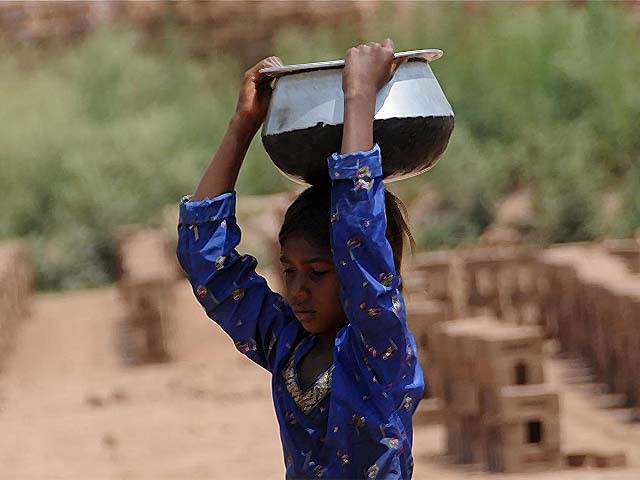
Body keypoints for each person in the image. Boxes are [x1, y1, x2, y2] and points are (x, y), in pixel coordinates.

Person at [176, 39, 424, 479]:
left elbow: (359, 240)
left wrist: (359, 97)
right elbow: (205, 261)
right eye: (288, 271)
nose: (297, 291)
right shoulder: (286, 343)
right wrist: (243, 124)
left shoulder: (378, 344)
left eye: (318, 273)